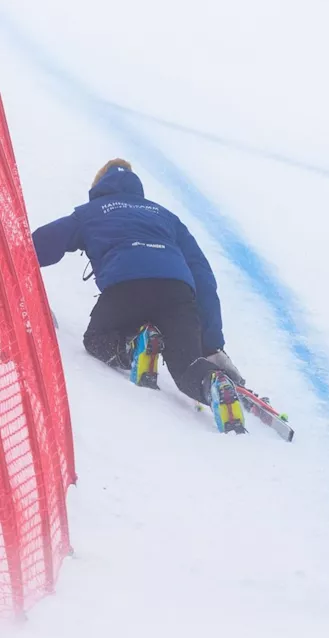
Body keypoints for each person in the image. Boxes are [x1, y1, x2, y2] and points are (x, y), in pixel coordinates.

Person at [32, 159, 246, 433]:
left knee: (97, 338)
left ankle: (134, 348)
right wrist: (213, 345)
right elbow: (203, 277)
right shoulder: (166, 216)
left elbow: (41, 244)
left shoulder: (91, 212)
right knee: (186, 367)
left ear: (98, 187)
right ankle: (212, 382)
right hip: (177, 293)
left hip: (126, 288)